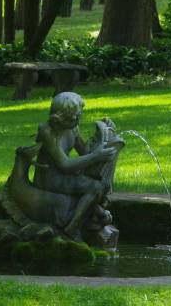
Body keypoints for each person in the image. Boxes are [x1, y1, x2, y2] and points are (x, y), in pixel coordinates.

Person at [33, 92, 119, 240]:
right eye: (75, 117)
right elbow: (64, 164)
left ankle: (92, 214)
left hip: (65, 175)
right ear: (63, 117)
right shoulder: (47, 131)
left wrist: (101, 134)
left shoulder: (72, 127)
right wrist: (95, 156)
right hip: (49, 179)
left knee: (98, 182)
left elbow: (84, 151)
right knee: (95, 187)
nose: (78, 119)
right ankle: (71, 228)